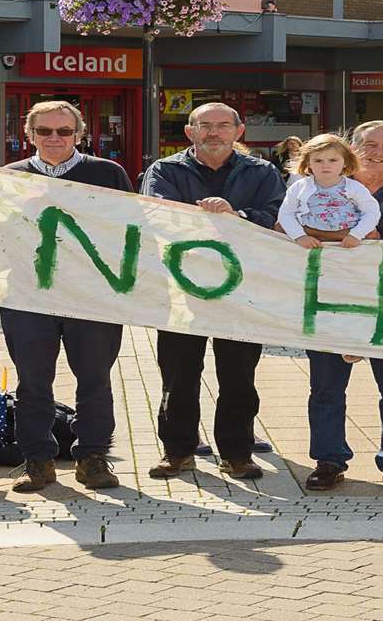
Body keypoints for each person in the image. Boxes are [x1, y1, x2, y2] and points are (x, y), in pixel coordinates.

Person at [0, 100, 134, 493]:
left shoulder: (107, 173)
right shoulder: (7, 178)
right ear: (28, 135)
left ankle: (93, 458)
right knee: (33, 381)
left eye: (64, 132)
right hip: (26, 295)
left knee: (95, 379)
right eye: (44, 131)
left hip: (93, 296)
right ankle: (38, 460)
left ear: (80, 135)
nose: (54, 138)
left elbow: (134, 231)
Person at [141, 102, 287, 482]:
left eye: (223, 125)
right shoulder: (165, 170)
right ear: (189, 132)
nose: (214, 133)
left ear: (239, 131)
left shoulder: (263, 172)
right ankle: (178, 452)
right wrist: (204, 216)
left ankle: (237, 454)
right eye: (204, 125)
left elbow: (275, 217)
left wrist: (236, 216)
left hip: (243, 291)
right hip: (181, 290)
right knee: (178, 376)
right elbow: (156, 214)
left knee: (239, 376)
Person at [303, 120, 383, 492]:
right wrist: (353, 239)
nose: (378, 152)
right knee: (326, 388)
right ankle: (329, 461)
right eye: (369, 144)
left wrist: (349, 244)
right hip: (329, 301)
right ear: (352, 149)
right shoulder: (317, 187)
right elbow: (289, 232)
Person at [278, 134, 380, 248]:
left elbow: (372, 211)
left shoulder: (355, 188)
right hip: (309, 243)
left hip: (347, 245)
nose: (325, 165)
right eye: (318, 160)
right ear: (308, 163)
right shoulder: (298, 187)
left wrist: (356, 234)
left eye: (333, 160)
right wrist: (299, 236)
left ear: (345, 162)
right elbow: (286, 213)